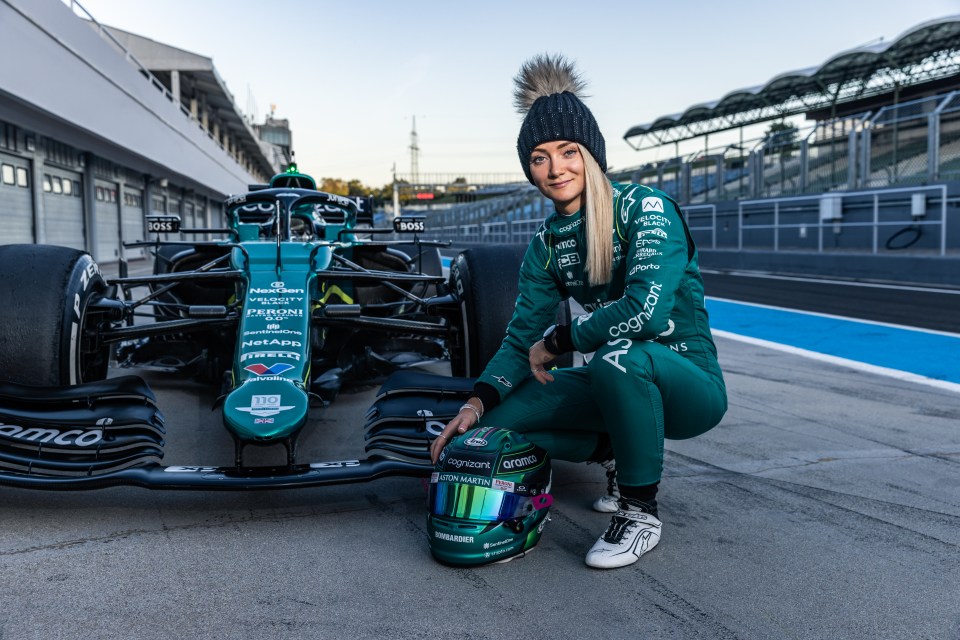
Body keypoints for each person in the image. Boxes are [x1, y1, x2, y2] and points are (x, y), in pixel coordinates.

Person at [429, 54, 727, 569]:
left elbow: (647, 313)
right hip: (614, 377)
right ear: (529, 168)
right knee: (493, 432)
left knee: (619, 354)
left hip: (687, 384)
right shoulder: (545, 241)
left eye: (568, 151)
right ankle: (615, 449)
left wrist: (560, 343)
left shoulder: (646, 207)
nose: (556, 168)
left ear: (590, 154)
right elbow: (522, 335)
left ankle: (639, 511)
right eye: (540, 157)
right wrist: (475, 403)